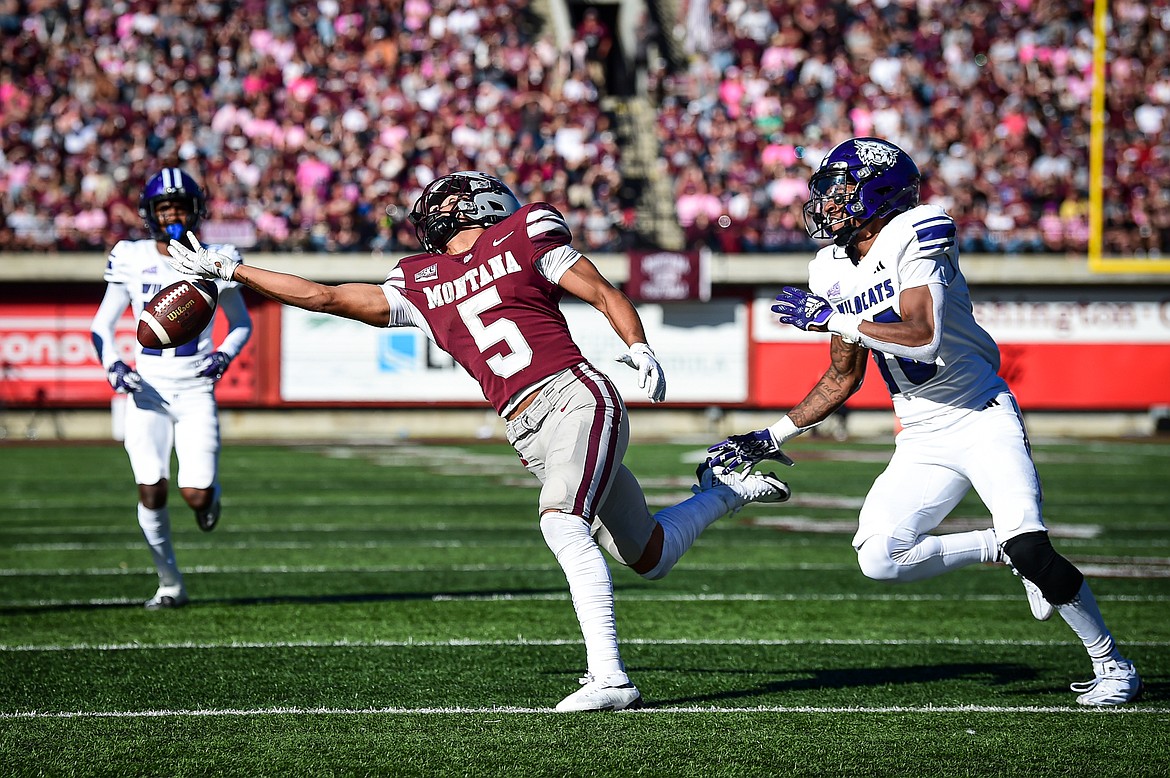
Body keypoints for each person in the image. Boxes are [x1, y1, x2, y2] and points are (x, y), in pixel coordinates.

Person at [166, 171, 791, 711]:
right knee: (648, 555)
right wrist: (232, 269)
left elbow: (601, 291)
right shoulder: (421, 278)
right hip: (528, 426)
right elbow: (326, 296)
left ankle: (611, 679)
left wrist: (637, 346)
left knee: (562, 525)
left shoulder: (527, 236)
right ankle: (725, 491)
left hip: (574, 394)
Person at [707, 137, 1142, 707]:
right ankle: (994, 548)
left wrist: (838, 318)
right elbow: (844, 376)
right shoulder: (828, 266)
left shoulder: (920, 229)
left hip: (981, 415)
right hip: (920, 434)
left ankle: (1113, 666)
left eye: (839, 193)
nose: (827, 205)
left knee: (1034, 546)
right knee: (879, 557)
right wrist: (770, 435)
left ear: (876, 194)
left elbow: (924, 337)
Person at [90, 168, 253, 610]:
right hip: (147, 387)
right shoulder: (130, 255)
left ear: (195, 210)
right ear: (150, 213)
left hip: (196, 386)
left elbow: (241, 323)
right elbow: (102, 325)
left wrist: (224, 355)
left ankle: (209, 498)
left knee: (195, 494)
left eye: (180, 206)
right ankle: (170, 584)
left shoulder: (217, 256)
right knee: (151, 488)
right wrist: (113, 367)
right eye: (164, 207)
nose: (172, 215)